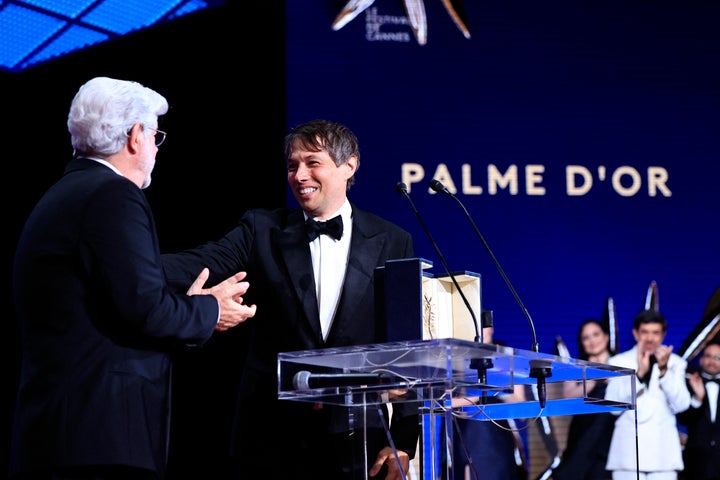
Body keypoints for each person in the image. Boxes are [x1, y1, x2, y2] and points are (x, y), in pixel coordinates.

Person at [9, 76, 258, 480]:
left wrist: (199, 293)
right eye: (156, 137)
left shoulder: (68, 192)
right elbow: (146, 308)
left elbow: (126, 285)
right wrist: (211, 309)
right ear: (135, 136)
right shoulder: (114, 195)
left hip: (62, 435)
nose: (157, 150)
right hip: (98, 439)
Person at [161, 119, 420, 480]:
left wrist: (405, 442)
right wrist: (130, 268)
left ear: (349, 166)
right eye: (292, 165)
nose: (299, 175)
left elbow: (406, 349)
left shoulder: (393, 241)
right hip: (271, 439)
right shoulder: (261, 230)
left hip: (358, 440)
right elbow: (198, 263)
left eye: (312, 163)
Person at [603, 309, 691, 480]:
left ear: (663, 334)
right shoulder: (618, 362)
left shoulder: (676, 363)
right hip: (627, 457)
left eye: (655, 333)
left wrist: (665, 371)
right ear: (635, 333)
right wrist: (639, 375)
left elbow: (682, 404)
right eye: (645, 332)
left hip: (663, 456)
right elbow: (612, 406)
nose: (650, 338)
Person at [551, 319, 616, 480]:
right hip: (583, 432)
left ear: (606, 337)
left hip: (611, 437)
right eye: (586, 338)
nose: (592, 341)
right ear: (581, 343)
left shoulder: (621, 363)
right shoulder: (576, 367)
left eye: (596, 334)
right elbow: (568, 397)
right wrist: (594, 378)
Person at [676, 340, 720, 480]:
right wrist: (697, 398)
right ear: (701, 359)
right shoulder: (688, 384)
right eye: (708, 356)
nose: (712, 361)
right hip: (696, 463)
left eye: (717, 357)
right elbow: (683, 419)